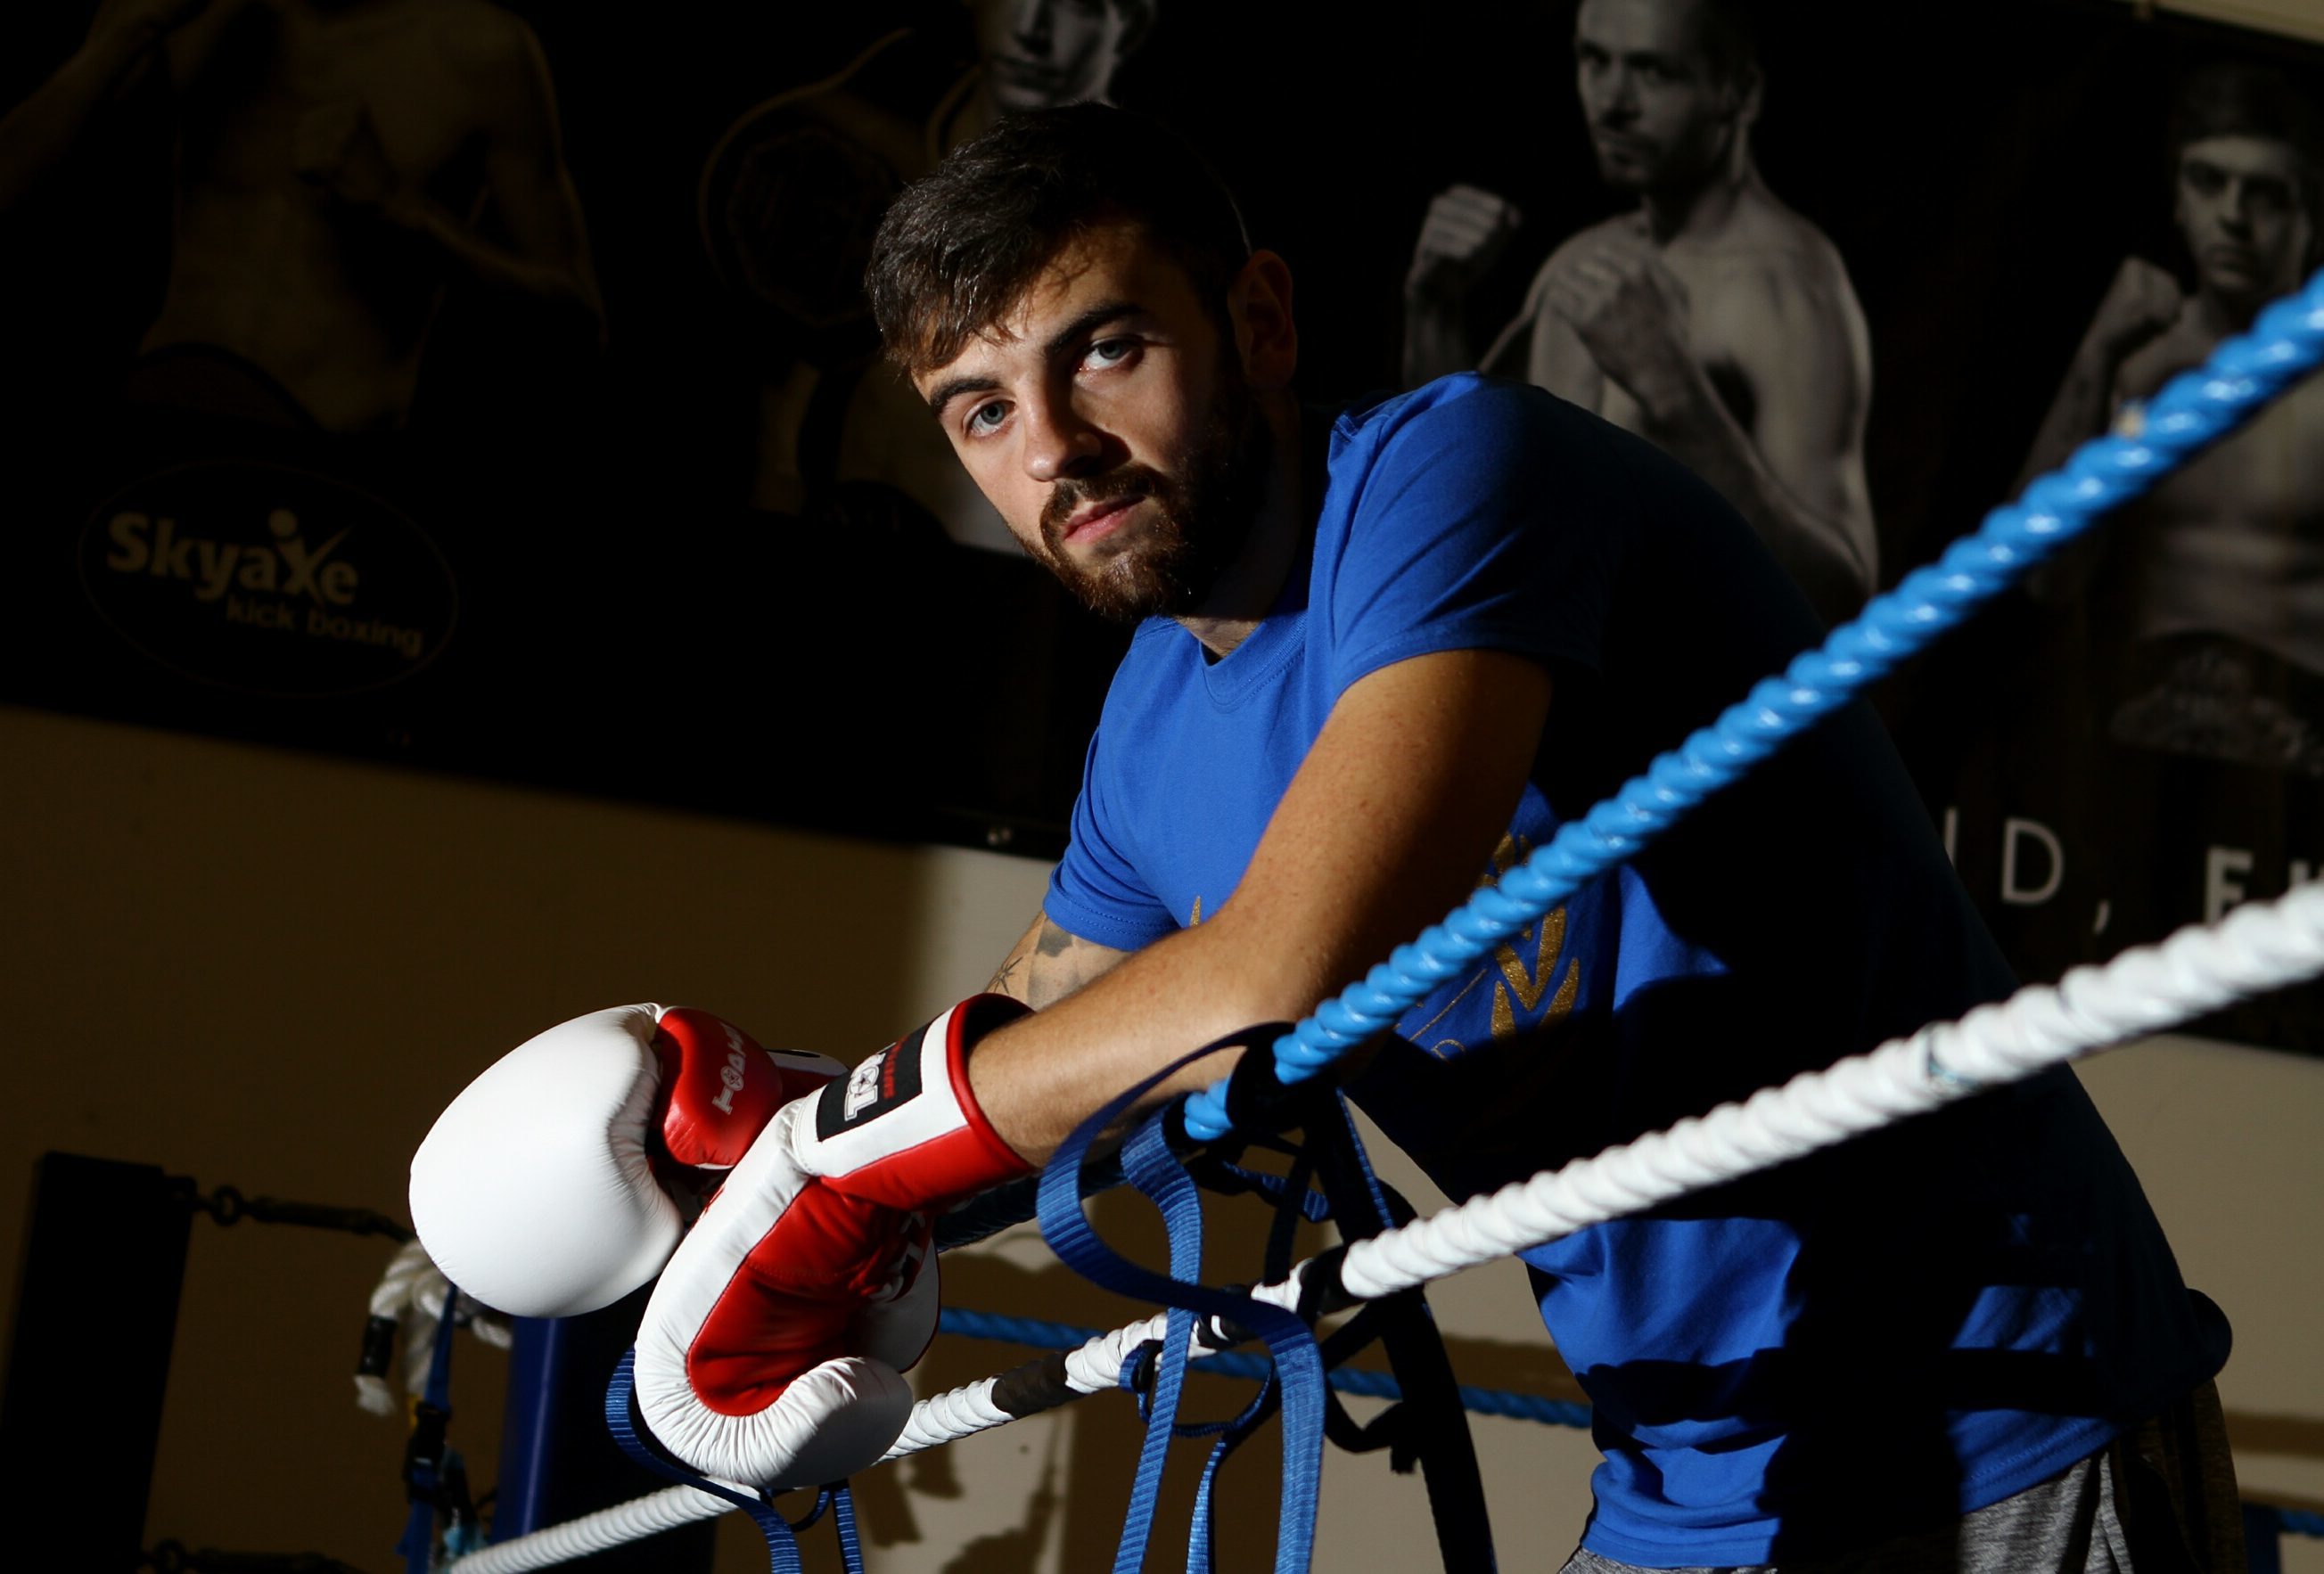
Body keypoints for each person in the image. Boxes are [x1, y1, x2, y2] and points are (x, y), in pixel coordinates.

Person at [1401, 0, 1876, 626]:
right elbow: (1453, 496)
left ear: (1738, 93)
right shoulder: (1586, 260)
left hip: (1695, 716)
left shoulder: (1787, 290)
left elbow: (1843, 602)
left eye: (1653, 72)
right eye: (1594, 60)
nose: (1611, 102)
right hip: (1559, 698)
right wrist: (1433, 311)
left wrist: (1677, 399)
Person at [0, 0, 603, 434]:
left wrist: (403, 210)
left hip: (333, 465)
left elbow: (576, 322)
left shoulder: (479, 51)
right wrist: (123, 36)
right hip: (160, 414)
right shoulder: (201, 17)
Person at [2017, 61, 2324, 775]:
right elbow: (2041, 581)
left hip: (2302, 766)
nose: (2232, 217)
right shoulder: (2131, 364)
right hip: (2134, 748)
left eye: (2265, 194)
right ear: (2177, 200)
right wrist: (2097, 356)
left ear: (2313, 215)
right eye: (2207, 180)